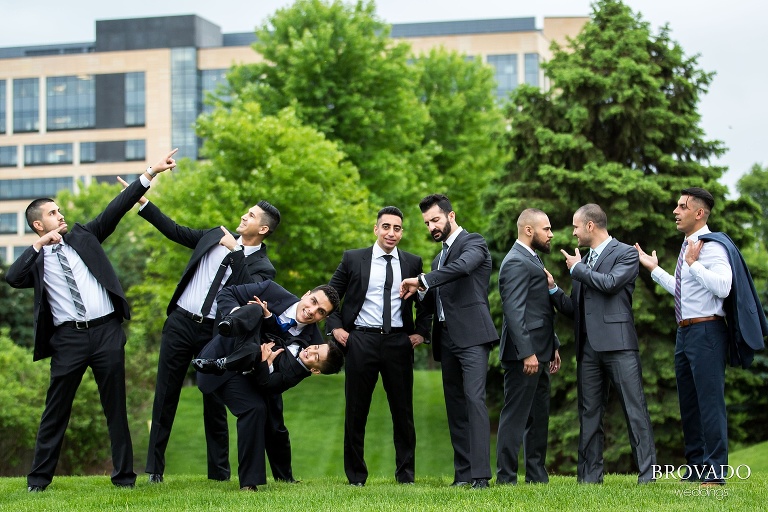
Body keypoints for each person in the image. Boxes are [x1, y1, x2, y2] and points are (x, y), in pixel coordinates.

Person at [5, 149, 178, 492]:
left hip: (105, 334)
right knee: (55, 410)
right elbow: (12, 277)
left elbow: (116, 208)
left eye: (60, 209)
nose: (60, 214)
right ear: (39, 224)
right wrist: (40, 245)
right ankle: (38, 481)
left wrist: (150, 172)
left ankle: (124, 479)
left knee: (115, 408)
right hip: (68, 341)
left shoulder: (85, 235)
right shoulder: (35, 261)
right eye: (53, 213)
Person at [134, 185, 281, 484]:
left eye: (250, 215)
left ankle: (218, 474)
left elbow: (246, 292)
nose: (243, 216)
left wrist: (235, 251)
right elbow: (175, 231)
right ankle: (155, 470)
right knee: (165, 394)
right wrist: (143, 201)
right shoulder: (216, 234)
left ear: (263, 228)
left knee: (213, 400)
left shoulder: (264, 269)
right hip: (180, 322)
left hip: (215, 333)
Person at [634, 187, 758, 485]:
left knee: (710, 402)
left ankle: (715, 473)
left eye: (682, 207)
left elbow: (723, 287)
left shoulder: (710, 247)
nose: (675, 212)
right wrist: (654, 270)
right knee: (689, 403)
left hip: (707, 332)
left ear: (699, 213)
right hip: (685, 333)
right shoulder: (689, 246)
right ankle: (696, 467)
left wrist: (693, 264)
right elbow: (684, 290)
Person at [196, 280, 342, 491]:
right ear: (306, 293)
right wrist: (237, 313)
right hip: (221, 358)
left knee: (264, 413)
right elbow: (227, 292)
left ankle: (253, 482)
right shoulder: (271, 291)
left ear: (324, 318)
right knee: (254, 309)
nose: (311, 311)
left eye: (320, 312)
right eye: (312, 302)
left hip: (255, 378)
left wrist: (266, 365)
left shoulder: (313, 346)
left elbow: (280, 383)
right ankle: (233, 327)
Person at [548, 203, 656, 484]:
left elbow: (609, 283)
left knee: (635, 410)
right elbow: (576, 308)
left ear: (590, 226)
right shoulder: (582, 260)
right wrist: (553, 289)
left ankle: (648, 476)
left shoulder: (626, 253)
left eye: (575, 226)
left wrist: (578, 269)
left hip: (619, 345)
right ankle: (589, 479)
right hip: (588, 349)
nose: (573, 233)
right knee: (589, 414)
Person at [326, 206, 431, 487]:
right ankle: (356, 477)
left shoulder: (412, 262)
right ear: (376, 229)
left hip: (398, 342)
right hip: (361, 340)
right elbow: (330, 295)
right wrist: (335, 327)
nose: (391, 233)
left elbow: (425, 302)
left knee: (403, 412)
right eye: (386, 227)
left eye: (397, 228)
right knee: (356, 411)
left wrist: (421, 332)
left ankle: (406, 476)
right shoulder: (353, 258)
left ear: (402, 233)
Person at [400, 194, 497, 490]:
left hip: (473, 336)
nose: (431, 226)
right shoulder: (437, 258)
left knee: (474, 401)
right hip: (447, 338)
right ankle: (463, 474)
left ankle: (481, 476)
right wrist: (416, 294)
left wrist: (424, 280)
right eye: (427, 223)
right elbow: (431, 298)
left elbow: (464, 268)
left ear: (451, 216)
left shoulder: (474, 243)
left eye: (435, 220)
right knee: (455, 406)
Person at [496, 208, 561, 485]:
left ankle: (536, 476)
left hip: (541, 352)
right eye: (546, 229)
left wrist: (553, 345)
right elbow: (514, 311)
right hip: (525, 355)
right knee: (516, 417)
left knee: (538, 417)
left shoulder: (531, 259)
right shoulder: (515, 262)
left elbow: (539, 309)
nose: (551, 234)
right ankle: (506, 478)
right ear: (529, 230)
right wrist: (528, 353)